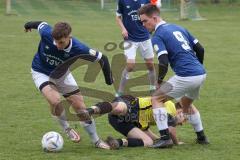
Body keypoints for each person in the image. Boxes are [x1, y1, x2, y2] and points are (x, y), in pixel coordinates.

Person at [24, 21, 114, 149]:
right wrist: (27, 25)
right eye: (55, 41)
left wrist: (108, 80)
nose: (57, 45)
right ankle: (66, 129)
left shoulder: (79, 48)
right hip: (41, 72)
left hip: (62, 74)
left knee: (81, 109)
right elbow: (39, 24)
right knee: (55, 101)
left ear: (69, 37)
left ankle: (96, 141)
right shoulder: (46, 33)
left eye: (61, 42)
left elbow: (102, 58)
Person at [138, 4, 209, 148]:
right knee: (186, 104)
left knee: (156, 98)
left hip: (186, 75)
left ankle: (165, 138)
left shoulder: (158, 36)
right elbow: (200, 49)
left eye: (145, 21)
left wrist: (158, 82)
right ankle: (202, 137)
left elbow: (163, 61)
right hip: (201, 74)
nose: (143, 25)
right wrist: (197, 66)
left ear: (155, 18)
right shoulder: (179, 28)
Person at [80, 95, 192, 149]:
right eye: (185, 119)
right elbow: (171, 131)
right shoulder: (170, 107)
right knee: (120, 108)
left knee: (148, 142)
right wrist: (177, 142)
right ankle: (90, 111)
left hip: (123, 122)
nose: (182, 123)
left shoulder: (158, 118)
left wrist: (157, 139)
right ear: (180, 110)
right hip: (132, 105)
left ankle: (117, 142)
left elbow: (145, 129)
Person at [115, 0, 156, 96]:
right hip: (130, 38)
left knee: (150, 64)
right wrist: (123, 29)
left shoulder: (146, 1)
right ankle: (120, 91)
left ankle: (153, 87)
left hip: (145, 37)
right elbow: (118, 17)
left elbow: (152, 14)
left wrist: (151, 27)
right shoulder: (122, 1)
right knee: (130, 65)